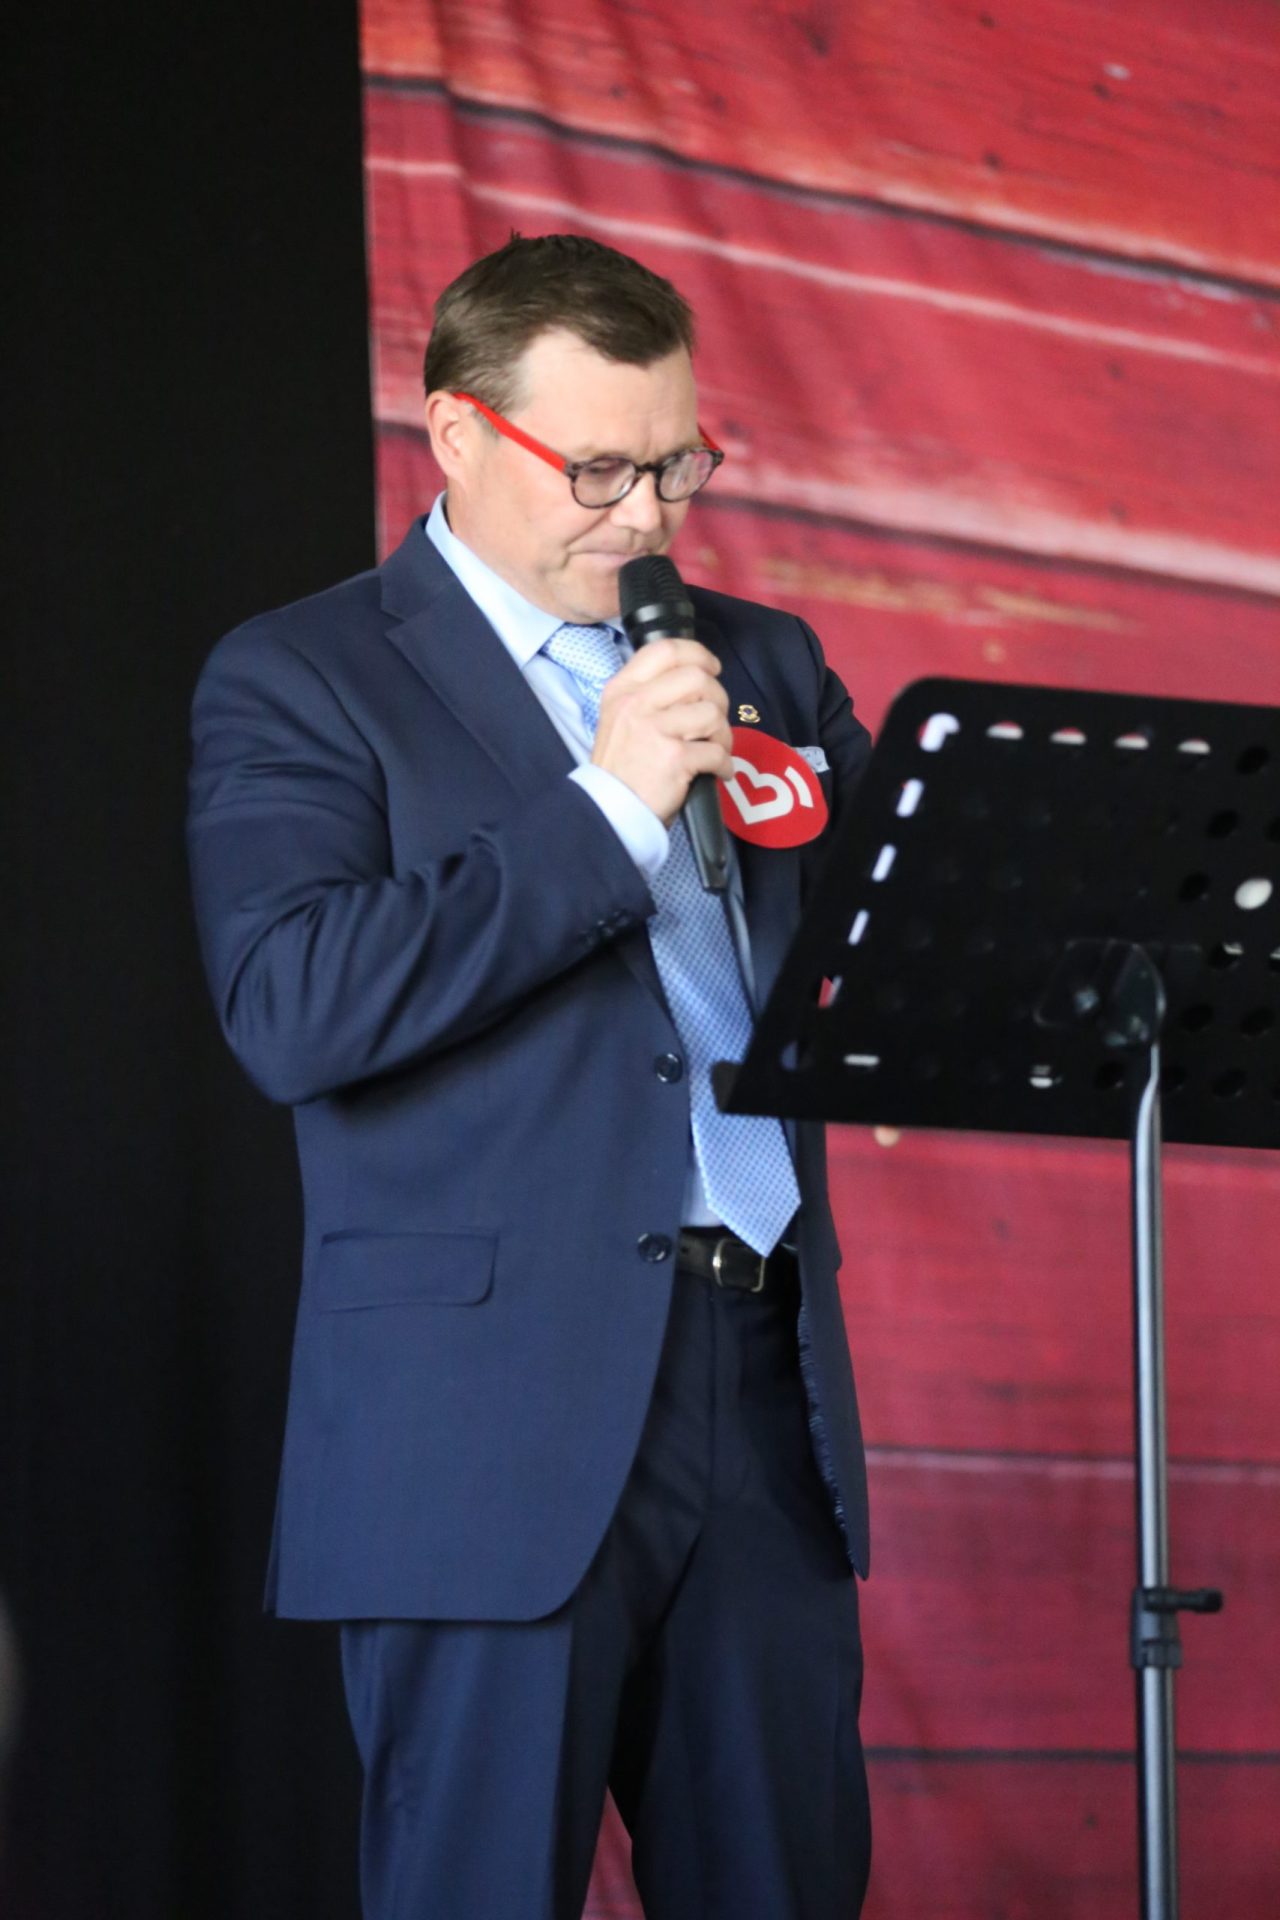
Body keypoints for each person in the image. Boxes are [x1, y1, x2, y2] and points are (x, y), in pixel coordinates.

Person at [188, 233, 874, 1920]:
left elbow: (893, 931)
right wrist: (610, 809)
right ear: (454, 430)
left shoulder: (766, 659)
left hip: (761, 1378)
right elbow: (293, 1005)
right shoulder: (305, 674)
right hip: (481, 1427)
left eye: (678, 466)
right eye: (599, 470)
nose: (644, 517)